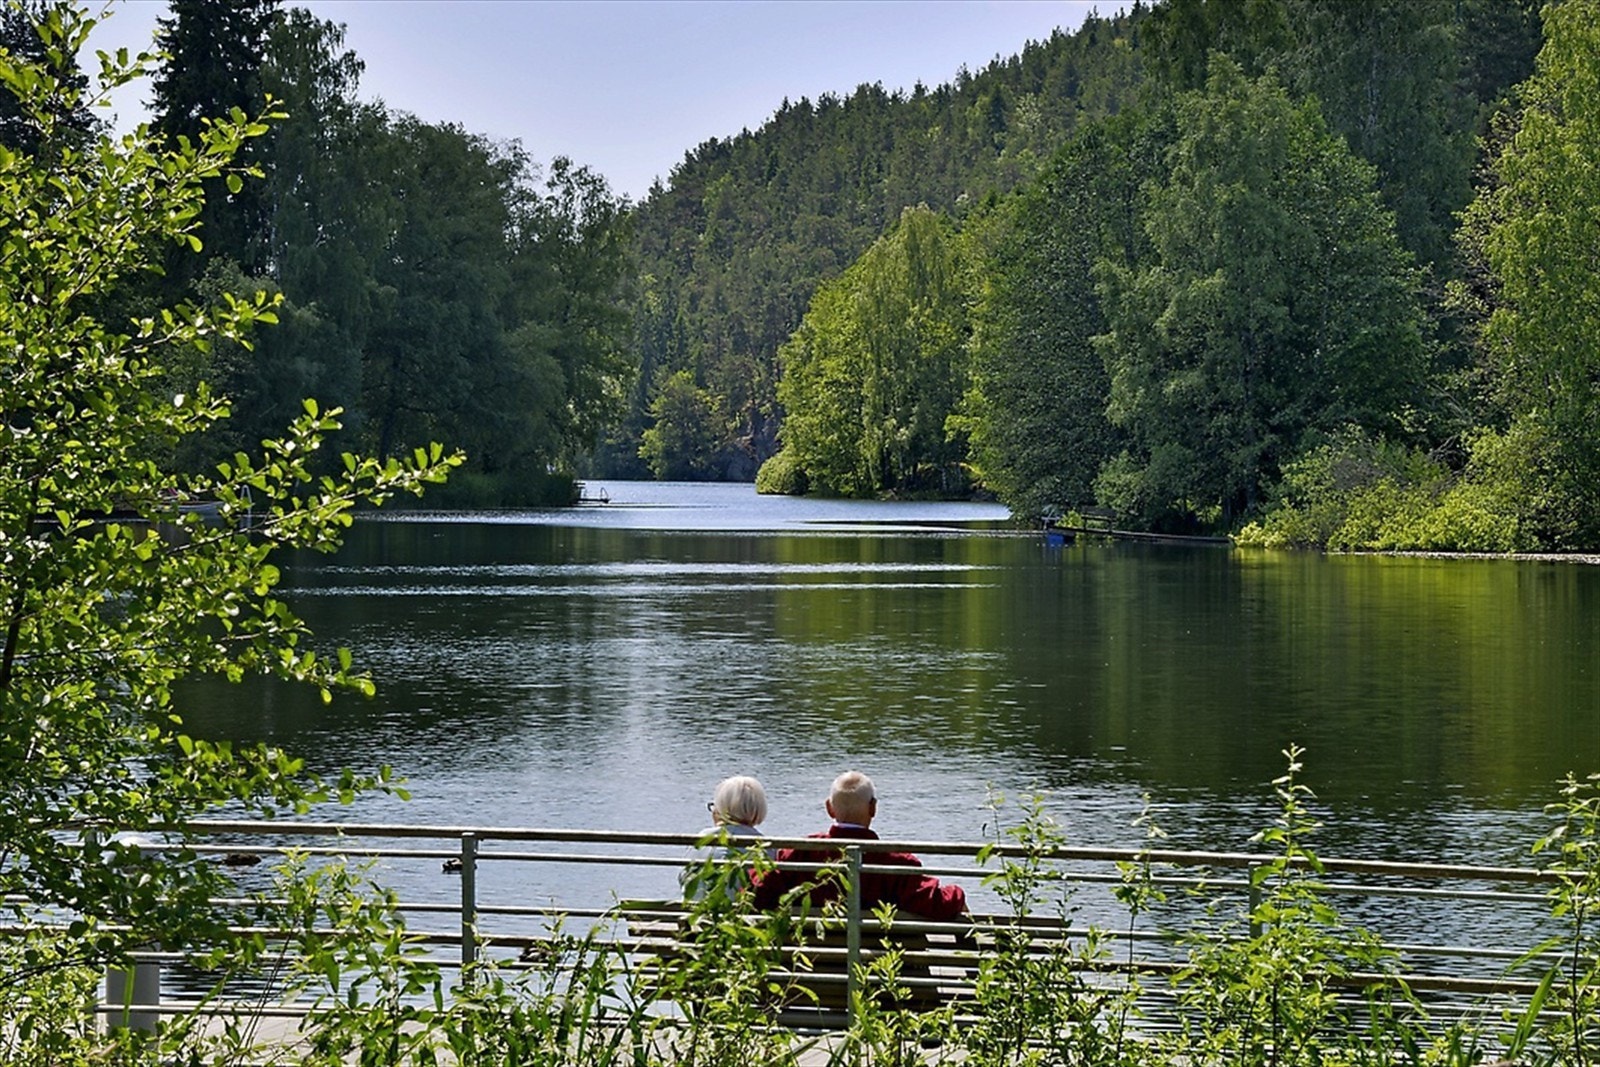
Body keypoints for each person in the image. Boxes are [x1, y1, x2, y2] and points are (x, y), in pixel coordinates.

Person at [751, 770, 966, 920]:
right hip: (877, 972)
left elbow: (757, 891)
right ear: (873, 808)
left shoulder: (800, 853)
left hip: (812, 969)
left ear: (829, 808)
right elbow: (937, 904)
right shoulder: (897, 863)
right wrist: (957, 893)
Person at [680, 774, 768, 899]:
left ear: (721, 809)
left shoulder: (702, 839)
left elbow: (684, 878)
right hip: (744, 914)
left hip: (696, 912)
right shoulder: (766, 847)